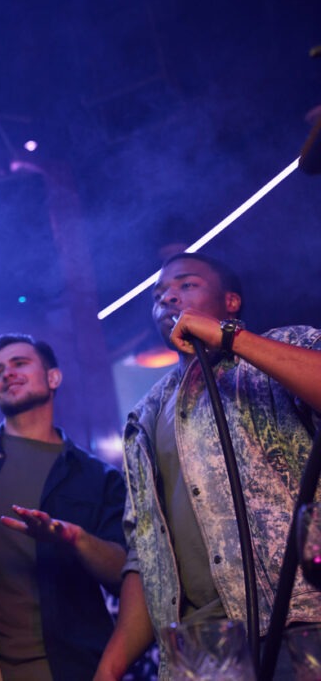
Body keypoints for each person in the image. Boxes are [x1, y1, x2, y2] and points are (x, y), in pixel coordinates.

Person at [93, 252, 321, 680]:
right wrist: (110, 666)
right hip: (201, 651)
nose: (168, 297)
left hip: (301, 624)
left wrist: (230, 338)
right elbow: (149, 554)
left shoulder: (284, 348)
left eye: (186, 284)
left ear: (231, 301)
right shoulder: (143, 419)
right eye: (159, 294)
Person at [0, 333, 127, 681]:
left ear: (53, 378)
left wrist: (74, 538)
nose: (7, 374)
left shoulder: (97, 477)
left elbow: (125, 575)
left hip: (69, 667)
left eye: (20, 363)